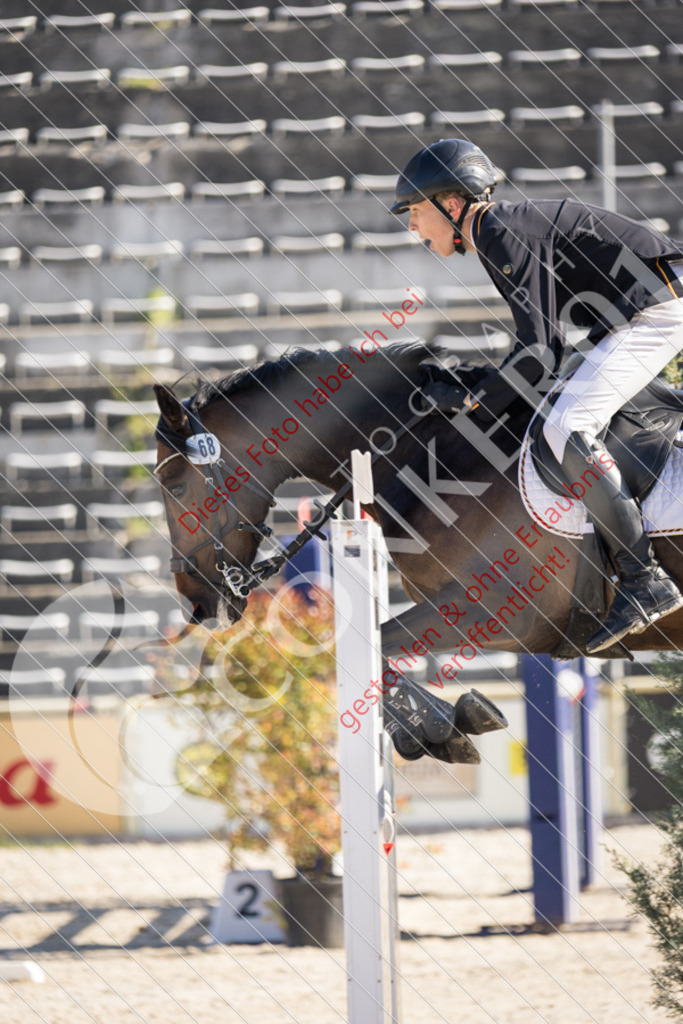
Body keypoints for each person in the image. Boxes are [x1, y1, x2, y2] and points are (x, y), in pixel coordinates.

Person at [390, 137, 683, 653]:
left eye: (415, 211)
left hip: (658, 307)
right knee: (559, 412)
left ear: (452, 205)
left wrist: (474, 400)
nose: (412, 225)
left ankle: (644, 579)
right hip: (631, 313)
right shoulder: (497, 232)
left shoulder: (500, 231)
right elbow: (540, 354)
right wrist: (475, 392)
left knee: (566, 426)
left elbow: (539, 353)